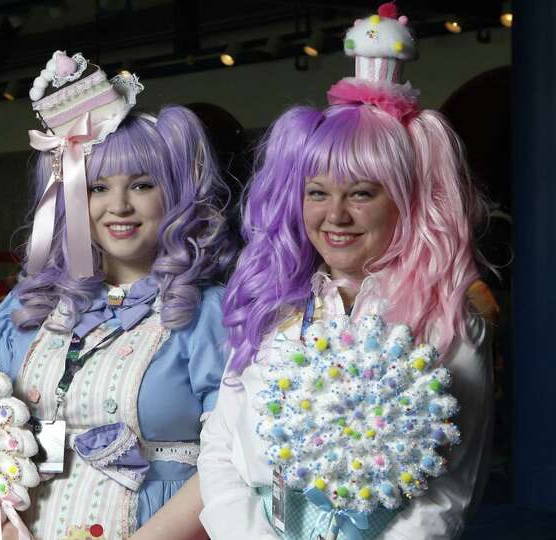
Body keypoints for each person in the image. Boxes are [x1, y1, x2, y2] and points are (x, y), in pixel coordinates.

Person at [198, 4, 492, 539]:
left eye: (361, 194)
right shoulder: (273, 302)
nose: (334, 216)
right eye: (318, 193)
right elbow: (220, 446)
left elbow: (450, 489)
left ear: (405, 201)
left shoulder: (445, 313)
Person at [0, 51, 238, 539]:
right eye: (97, 187)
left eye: (141, 185)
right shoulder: (27, 311)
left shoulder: (210, 314)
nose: (119, 205)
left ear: (175, 193)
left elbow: (230, 460)